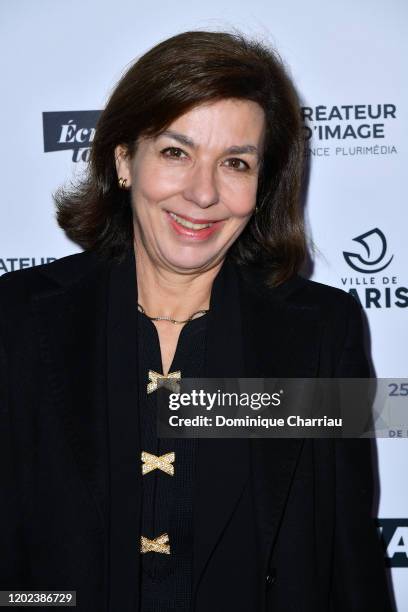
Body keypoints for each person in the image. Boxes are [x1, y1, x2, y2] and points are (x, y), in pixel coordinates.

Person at [0, 30, 392, 612]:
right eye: (175, 152)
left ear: (261, 188)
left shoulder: (321, 331)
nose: (203, 193)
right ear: (124, 160)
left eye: (235, 163)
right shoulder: (19, 319)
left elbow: (349, 558)